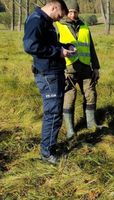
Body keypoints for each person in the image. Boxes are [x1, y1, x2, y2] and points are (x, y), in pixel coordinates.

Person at [23, 0, 73, 164]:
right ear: (54, 7)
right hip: (47, 73)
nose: (59, 19)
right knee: (52, 113)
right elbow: (30, 46)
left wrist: (65, 47)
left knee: (55, 112)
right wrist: (58, 52)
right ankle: (47, 153)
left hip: (53, 72)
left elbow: (48, 44)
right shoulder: (36, 19)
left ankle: (50, 146)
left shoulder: (46, 21)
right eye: (59, 15)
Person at [55, 0, 101, 142]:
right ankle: (70, 130)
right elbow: (54, 49)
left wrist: (96, 67)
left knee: (90, 94)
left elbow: (91, 48)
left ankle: (91, 124)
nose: (72, 14)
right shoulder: (57, 26)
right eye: (70, 11)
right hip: (68, 68)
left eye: (75, 11)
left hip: (86, 67)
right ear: (65, 12)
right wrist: (59, 69)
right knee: (70, 96)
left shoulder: (84, 27)